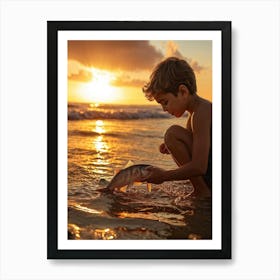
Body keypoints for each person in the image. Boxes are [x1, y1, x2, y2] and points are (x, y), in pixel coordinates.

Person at [142, 57, 212, 197]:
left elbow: (199, 166)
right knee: (173, 137)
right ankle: (201, 188)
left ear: (183, 92)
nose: (164, 109)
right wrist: (174, 146)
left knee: (172, 133)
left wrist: (164, 176)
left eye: (165, 102)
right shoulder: (194, 115)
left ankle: (202, 191)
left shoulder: (202, 112)